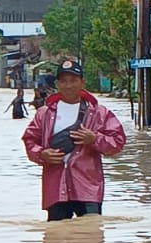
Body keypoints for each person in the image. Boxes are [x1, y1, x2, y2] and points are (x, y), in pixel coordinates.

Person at [22, 57, 127, 221]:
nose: (68, 85)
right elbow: (29, 140)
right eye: (63, 81)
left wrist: (94, 139)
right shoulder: (44, 113)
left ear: (82, 82)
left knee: (90, 235)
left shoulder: (99, 113)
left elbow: (117, 142)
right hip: (55, 187)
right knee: (56, 238)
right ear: (57, 84)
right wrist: (42, 154)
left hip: (88, 186)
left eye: (73, 80)